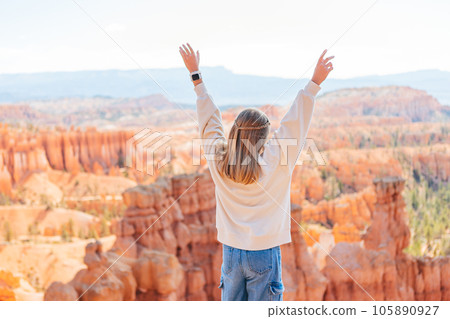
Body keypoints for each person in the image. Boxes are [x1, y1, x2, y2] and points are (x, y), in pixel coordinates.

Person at [180, 43, 334, 301]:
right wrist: (314, 83)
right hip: (263, 254)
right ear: (264, 139)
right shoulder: (276, 161)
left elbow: (209, 122)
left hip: (231, 253)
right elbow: (294, 125)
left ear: (234, 133)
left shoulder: (219, 161)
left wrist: (196, 75)